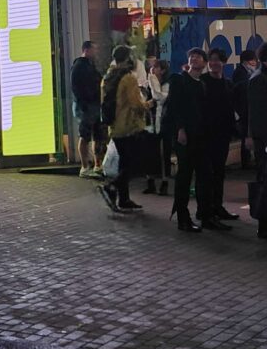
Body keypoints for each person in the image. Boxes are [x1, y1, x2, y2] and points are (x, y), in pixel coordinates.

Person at [166, 47, 230, 233]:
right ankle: (182, 217)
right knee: (184, 177)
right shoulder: (179, 80)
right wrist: (180, 130)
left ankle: (206, 214)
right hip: (185, 138)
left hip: (201, 138)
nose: (194, 58)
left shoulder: (201, 84)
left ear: (204, 63)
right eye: (192, 56)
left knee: (206, 176)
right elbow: (176, 108)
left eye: (198, 56)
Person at [99, 46, 150, 213]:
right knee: (131, 162)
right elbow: (136, 103)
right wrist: (147, 105)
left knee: (124, 161)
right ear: (128, 58)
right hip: (129, 125)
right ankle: (111, 186)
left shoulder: (108, 76)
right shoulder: (128, 78)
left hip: (114, 126)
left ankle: (124, 198)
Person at [202, 47, 239, 222]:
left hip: (222, 136)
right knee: (208, 174)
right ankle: (207, 210)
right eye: (211, 60)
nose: (214, 63)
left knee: (219, 172)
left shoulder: (228, 84)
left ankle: (218, 206)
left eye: (217, 60)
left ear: (223, 62)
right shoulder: (202, 82)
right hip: (206, 136)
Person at [70, 40, 106, 178]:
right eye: (94, 49)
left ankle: (97, 165)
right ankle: (85, 166)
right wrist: (83, 103)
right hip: (86, 106)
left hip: (94, 105)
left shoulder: (90, 66)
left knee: (97, 135)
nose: (96, 52)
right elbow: (76, 86)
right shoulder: (79, 66)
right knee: (85, 135)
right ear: (86, 50)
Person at [247, 42, 267, 240]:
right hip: (265, 142)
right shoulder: (259, 79)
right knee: (264, 183)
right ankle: (263, 224)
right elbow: (259, 115)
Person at [144, 59, 171, 195]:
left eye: (156, 67)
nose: (152, 70)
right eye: (152, 67)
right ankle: (150, 182)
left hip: (163, 123)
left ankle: (164, 182)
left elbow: (160, 97)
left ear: (163, 70)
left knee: (163, 153)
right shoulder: (149, 83)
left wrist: (152, 80)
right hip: (149, 122)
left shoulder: (166, 84)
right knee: (149, 153)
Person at [233, 47, 258, 168]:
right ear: (245, 61)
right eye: (252, 61)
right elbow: (242, 91)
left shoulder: (246, 72)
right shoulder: (240, 73)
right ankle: (246, 163)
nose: (254, 63)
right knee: (245, 136)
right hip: (243, 110)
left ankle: (247, 161)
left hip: (246, 109)